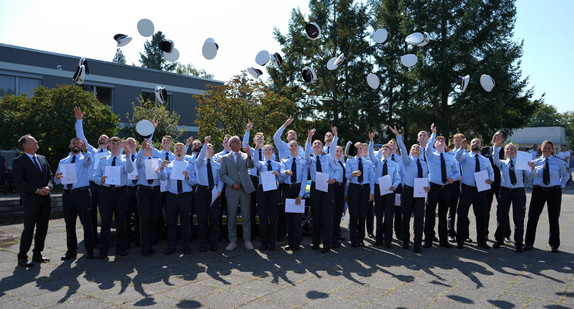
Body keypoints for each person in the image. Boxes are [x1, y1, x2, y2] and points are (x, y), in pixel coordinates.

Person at [13, 134, 53, 267]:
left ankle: (37, 254)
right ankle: (22, 257)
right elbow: (20, 182)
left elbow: (50, 176)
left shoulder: (42, 158)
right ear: (24, 146)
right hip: (31, 201)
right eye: (33, 141)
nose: (36, 142)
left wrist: (49, 186)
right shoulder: (19, 161)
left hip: (45, 200)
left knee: (43, 228)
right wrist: (37, 190)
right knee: (29, 229)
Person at [92, 136, 135, 259]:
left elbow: (130, 170)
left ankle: (120, 248)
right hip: (106, 192)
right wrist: (101, 179)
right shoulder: (102, 160)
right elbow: (95, 176)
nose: (115, 146)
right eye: (113, 144)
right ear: (109, 145)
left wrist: (127, 157)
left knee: (121, 222)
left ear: (121, 145)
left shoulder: (125, 159)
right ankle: (103, 251)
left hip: (121, 192)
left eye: (118, 144)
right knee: (105, 222)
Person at [390, 126, 429, 253]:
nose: (416, 148)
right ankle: (405, 241)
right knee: (405, 216)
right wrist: (398, 136)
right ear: (410, 151)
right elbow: (402, 148)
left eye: (417, 147)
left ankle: (417, 243)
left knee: (419, 218)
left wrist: (428, 185)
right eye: (414, 148)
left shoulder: (423, 163)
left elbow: (426, 176)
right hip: (408, 190)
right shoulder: (406, 161)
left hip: (420, 192)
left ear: (420, 151)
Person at [524, 140, 569, 253]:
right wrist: (533, 168)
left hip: (554, 191)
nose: (546, 150)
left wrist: (561, 185)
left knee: (554, 217)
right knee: (533, 217)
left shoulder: (559, 162)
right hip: (539, 191)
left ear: (552, 149)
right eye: (544, 147)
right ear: (541, 149)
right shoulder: (535, 161)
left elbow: (566, 175)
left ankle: (554, 244)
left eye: (549, 148)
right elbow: (530, 177)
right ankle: (529, 242)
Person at [54, 137, 95, 260]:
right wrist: (56, 177)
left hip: (82, 193)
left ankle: (89, 250)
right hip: (67, 194)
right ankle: (71, 250)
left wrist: (85, 150)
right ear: (69, 145)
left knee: (86, 223)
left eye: (78, 143)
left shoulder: (85, 159)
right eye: (74, 143)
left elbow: (89, 162)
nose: (76, 145)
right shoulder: (63, 161)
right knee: (69, 224)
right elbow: (57, 181)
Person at [74, 107, 109, 245]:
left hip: (104, 186)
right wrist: (79, 120)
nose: (102, 138)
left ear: (109, 143)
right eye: (101, 137)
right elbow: (81, 137)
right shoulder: (92, 151)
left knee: (105, 214)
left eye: (105, 137)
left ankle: (105, 240)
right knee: (90, 215)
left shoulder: (112, 155)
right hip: (90, 186)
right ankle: (93, 240)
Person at [423, 124, 460, 249]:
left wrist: (453, 178)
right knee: (430, 214)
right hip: (433, 188)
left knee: (443, 215)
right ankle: (428, 239)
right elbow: (427, 147)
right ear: (434, 144)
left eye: (442, 140)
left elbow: (457, 172)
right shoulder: (431, 155)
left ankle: (444, 240)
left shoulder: (451, 157)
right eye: (438, 140)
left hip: (446, 188)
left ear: (446, 145)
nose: (440, 141)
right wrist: (433, 133)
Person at [454, 137, 494, 249]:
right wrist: (462, 147)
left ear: (481, 146)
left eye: (477, 142)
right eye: (472, 142)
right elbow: (457, 157)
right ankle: (460, 240)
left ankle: (482, 241)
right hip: (467, 189)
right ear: (469, 145)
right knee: (462, 214)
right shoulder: (465, 156)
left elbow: (491, 173)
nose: (475, 143)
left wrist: (491, 179)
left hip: (481, 190)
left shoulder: (485, 160)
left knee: (482, 216)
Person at [305, 129, 340, 253]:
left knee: (327, 216)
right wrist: (309, 138)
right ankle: (315, 243)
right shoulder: (310, 159)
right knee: (316, 215)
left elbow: (337, 170)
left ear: (322, 147)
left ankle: (327, 244)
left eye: (318, 144)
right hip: (315, 187)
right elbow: (306, 153)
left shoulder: (328, 157)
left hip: (327, 186)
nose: (316, 145)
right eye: (314, 144)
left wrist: (334, 178)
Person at [491, 143, 531, 252]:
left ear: (516, 151)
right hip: (504, 192)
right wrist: (496, 146)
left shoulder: (522, 163)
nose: (510, 151)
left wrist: (532, 169)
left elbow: (530, 176)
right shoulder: (502, 163)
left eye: (512, 149)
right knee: (501, 216)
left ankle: (518, 242)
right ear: (504, 152)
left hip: (518, 193)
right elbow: (495, 159)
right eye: (507, 149)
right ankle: (499, 239)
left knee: (518, 218)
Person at [159, 142, 197, 255]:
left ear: (185, 151)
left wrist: (187, 177)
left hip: (185, 196)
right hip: (172, 197)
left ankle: (186, 245)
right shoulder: (169, 165)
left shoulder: (189, 165)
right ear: (173, 152)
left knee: (186, 222)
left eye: (181, 148)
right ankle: (171, 245)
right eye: (177, 149)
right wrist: (161, 169)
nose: (179, 150)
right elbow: (163, 178)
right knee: (171, 222)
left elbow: (194, 182)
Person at [220, 136, 256, 251]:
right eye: (236, 142)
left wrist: (250, 154)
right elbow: (223, 175)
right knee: (231, 216)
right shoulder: (225, 158)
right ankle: (232, 240)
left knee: (246, 215)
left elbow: (251, 165)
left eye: (239, 142)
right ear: (230, 145)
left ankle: (247, 240)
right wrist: (232, 183)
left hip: (245, 189)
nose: (239, 143)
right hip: (232, 190)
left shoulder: (245, 155)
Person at [246, 143, 282, 251]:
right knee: (263, 217)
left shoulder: (278, 164)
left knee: (273, 217)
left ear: (273, 152)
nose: (267, 151)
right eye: (265, 150)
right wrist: (256, 150)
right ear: (263, 152)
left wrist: (278, 174)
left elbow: (281, 180)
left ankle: (272, 243)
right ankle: (264, 242)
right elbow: (255, 163)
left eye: (269, 150)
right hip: (262, 190)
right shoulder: (261, 164)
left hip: (274, 190)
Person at [368, 133, 400, 249]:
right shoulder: (377, 162)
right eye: (383, 148)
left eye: (387, 148)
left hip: (390, 190)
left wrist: (394, 186)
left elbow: (397, 179)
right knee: (379, 215)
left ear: (391, 151)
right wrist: (371, 141)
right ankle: (378, 238)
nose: (384, 149)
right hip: (378, 189)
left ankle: (388, 240)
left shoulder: (394, 164)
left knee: (389, 216)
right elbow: (371, 154)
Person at [195, 136, 224, 252]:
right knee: (202, 218)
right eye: (206, 146)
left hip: (214, 191)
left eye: (210, 146)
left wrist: (219, 191)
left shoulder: (217, 164)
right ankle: (203, 243)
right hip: (201, 191)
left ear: (213, 151)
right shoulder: (199, 161)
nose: (208, 147)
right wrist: (205, 142)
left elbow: (220, 179)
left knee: (214, 218)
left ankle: (213, 242)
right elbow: (201, 157)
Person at [134, 139, 163, 256]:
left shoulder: (158, 160)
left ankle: (151, 244)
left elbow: (162, 177)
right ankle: (144, 247)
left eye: (150, 147)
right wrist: (142, 148)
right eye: (146, 148)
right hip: (144, 191)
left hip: (155, 191)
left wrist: (160, 170)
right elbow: (137, 162)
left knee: (154, 218)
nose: (148, 148)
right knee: (144, 219)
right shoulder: (140, 160)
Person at [481, 130, 510, 241]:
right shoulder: (485, 150)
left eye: (497, 135)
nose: (494, 136)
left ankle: (505, 234)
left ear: (503, 139)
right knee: (485, 209)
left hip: (502, 183)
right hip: (487, 183)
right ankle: (484, 232)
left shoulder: (507, 151)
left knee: (503, 210)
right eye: (494, 135)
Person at [346, 142, 375, 248]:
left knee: (363, 215)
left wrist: (372, 192)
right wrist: (352, 174)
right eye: (357, 148)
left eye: (361, 148)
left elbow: (372, 178)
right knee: (354, 215)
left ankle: (361, 238)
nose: (359, 150)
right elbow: (346, 175)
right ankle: (353, 239)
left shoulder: (368, 163)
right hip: (354, 188)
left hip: (365, 189)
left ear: (364, 150)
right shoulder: (349, 161)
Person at [280, 140, 308, 252]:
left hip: (297, 189)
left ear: (298, 148)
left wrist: (300, 195)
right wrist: (284, 172)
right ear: (288, 148)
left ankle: (297, 242)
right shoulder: (284, 160)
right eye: (291, 146)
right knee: (288, 218)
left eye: (295, 145)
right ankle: (289, 242)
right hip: (287, 189)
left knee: (296, 218)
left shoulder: (303, 162)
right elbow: (280, 174)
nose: (293, 147)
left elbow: (304, 179)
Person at [447, 133, 464, 243]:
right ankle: (451, 233)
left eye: (460, 140)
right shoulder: (448, 154)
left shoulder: (467, 154)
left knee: (463, 210)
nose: (458, 142)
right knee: (452, 209)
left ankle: (464, 234)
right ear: (453, 141)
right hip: (453, 184)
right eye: (456, 140)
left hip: (466, 184)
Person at [332, 145, 346, 248]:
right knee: (333, 213)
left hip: (341, 189)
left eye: (340, 151)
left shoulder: (343, 163)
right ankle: (333, 238)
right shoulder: (332, 163)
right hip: (334, 188)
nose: (339, 152)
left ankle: (337, 235)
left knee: (339, 214)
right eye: (337, 151)